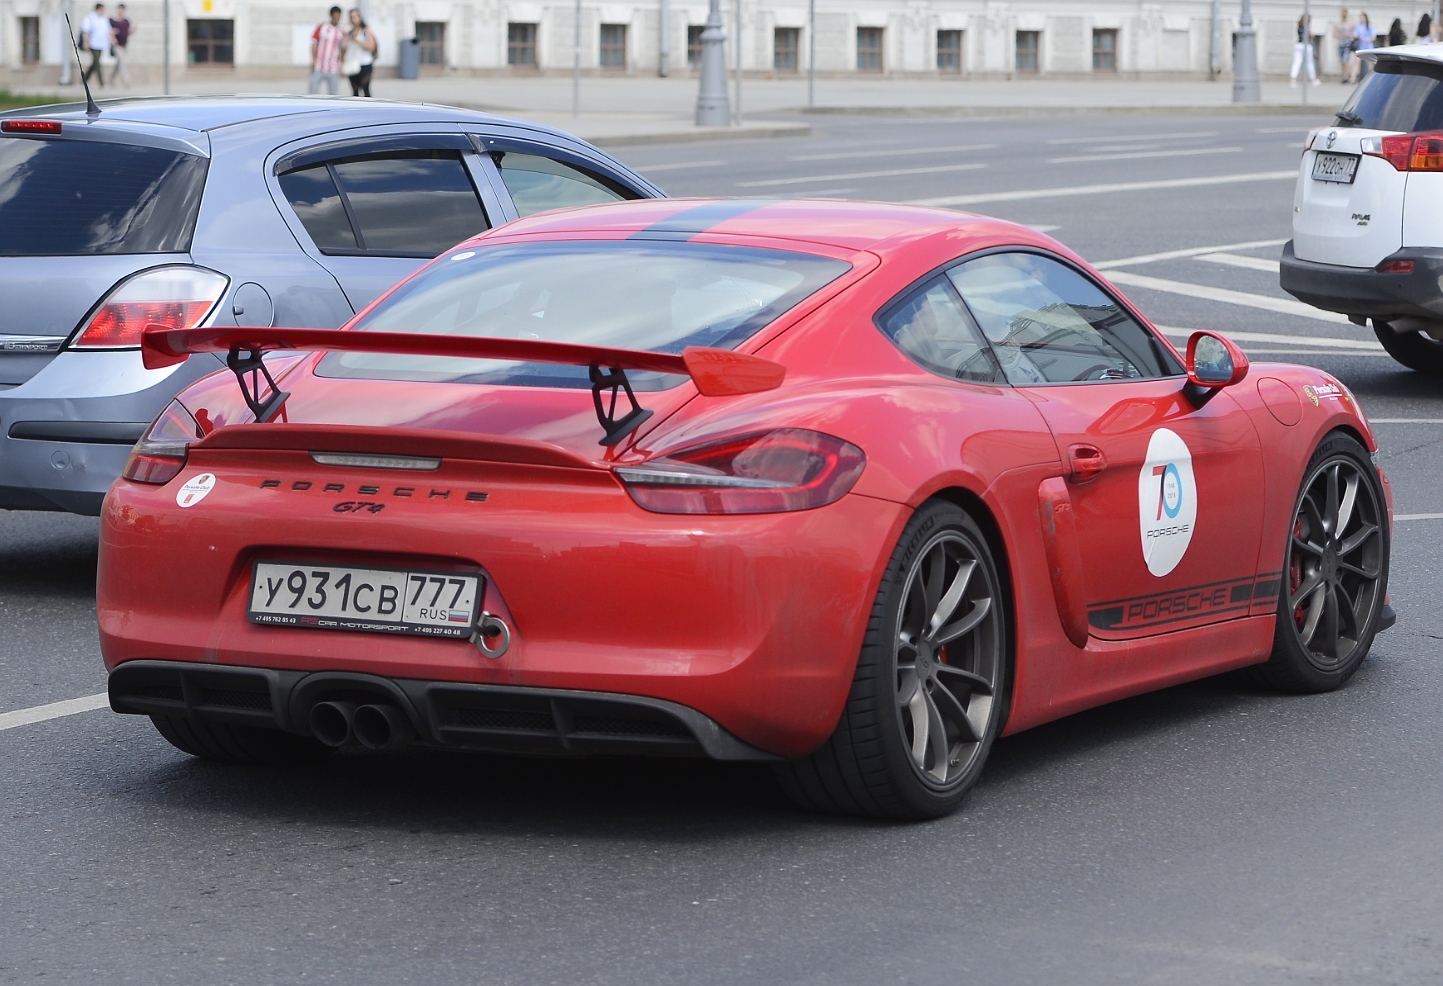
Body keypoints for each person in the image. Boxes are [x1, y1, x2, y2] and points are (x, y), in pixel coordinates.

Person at [309, 6, 345, 95]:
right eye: (335, 16)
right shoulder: (322, 27)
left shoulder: (341, 31)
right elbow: (314, 43)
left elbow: (342, 48)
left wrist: (341, 63)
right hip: (319, 65)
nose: (337, 19)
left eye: (338, 17)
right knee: (313, 91)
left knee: (333, 94)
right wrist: (314, 59)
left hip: (333, 67)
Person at [344, 8, 377, 97]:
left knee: (365, 89)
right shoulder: (350, 32)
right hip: (353, 63)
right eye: (351, 17)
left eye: (355, 17)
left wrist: (358, 41)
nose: (353, 19)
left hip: (365, 63)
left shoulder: (365, 30)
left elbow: (371, 46)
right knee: (355, 91)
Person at [79, 2, 112, 88]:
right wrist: (86, 42)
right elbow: (86, 31)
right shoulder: (90, 18)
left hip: (101, 44)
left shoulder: (104, 19)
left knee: (94, 63)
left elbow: (108, 31)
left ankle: (84, 79)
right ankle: (102, 84)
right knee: (97, 63)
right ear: (99, 9)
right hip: (93, 44)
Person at [1292, 14, 1320, 87]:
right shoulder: (1307, 27)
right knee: (1309, 63)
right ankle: (1313, 79)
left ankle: (1293, 79)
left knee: (1297, 62)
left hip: (1299, 44)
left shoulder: (1299, 26)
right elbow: (1311, 35)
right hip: (1306, 45)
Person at [109, 4, 132, 87]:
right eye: (120, 9)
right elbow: (109, 31)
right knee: (123, 62)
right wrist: (113, 37)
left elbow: (128, 31)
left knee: (118, 64)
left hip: (124, 44)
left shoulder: (126, 21)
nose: (121, 11)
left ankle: (110, 80)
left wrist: (133, 30)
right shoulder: (112, 20)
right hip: (116, 44)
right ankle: (127, 82)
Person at [1350, 13, 1375, 82]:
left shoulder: (1370, 26)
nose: (1361, 19)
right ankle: (1352, 78)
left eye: (1362, 18)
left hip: (1368, 47)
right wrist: (1358, 36)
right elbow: (1355, 34)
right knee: (1356, 62)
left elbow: (1373, 36)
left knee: (1369, 63)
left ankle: (1372, 77)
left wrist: (1367, 39)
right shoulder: (1358, 26)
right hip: (1360, 47)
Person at [1334, 10, 1355, 82]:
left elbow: (1355, 34)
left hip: (1347, 45)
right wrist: (1338, 35)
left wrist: (1349, 35)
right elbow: (1334, 34)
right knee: (1342, 62)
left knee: (1345, 61)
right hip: (1340, 44)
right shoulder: (1338, 24)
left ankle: (1346, 77)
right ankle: (1343, 76)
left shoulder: (1351, 24)